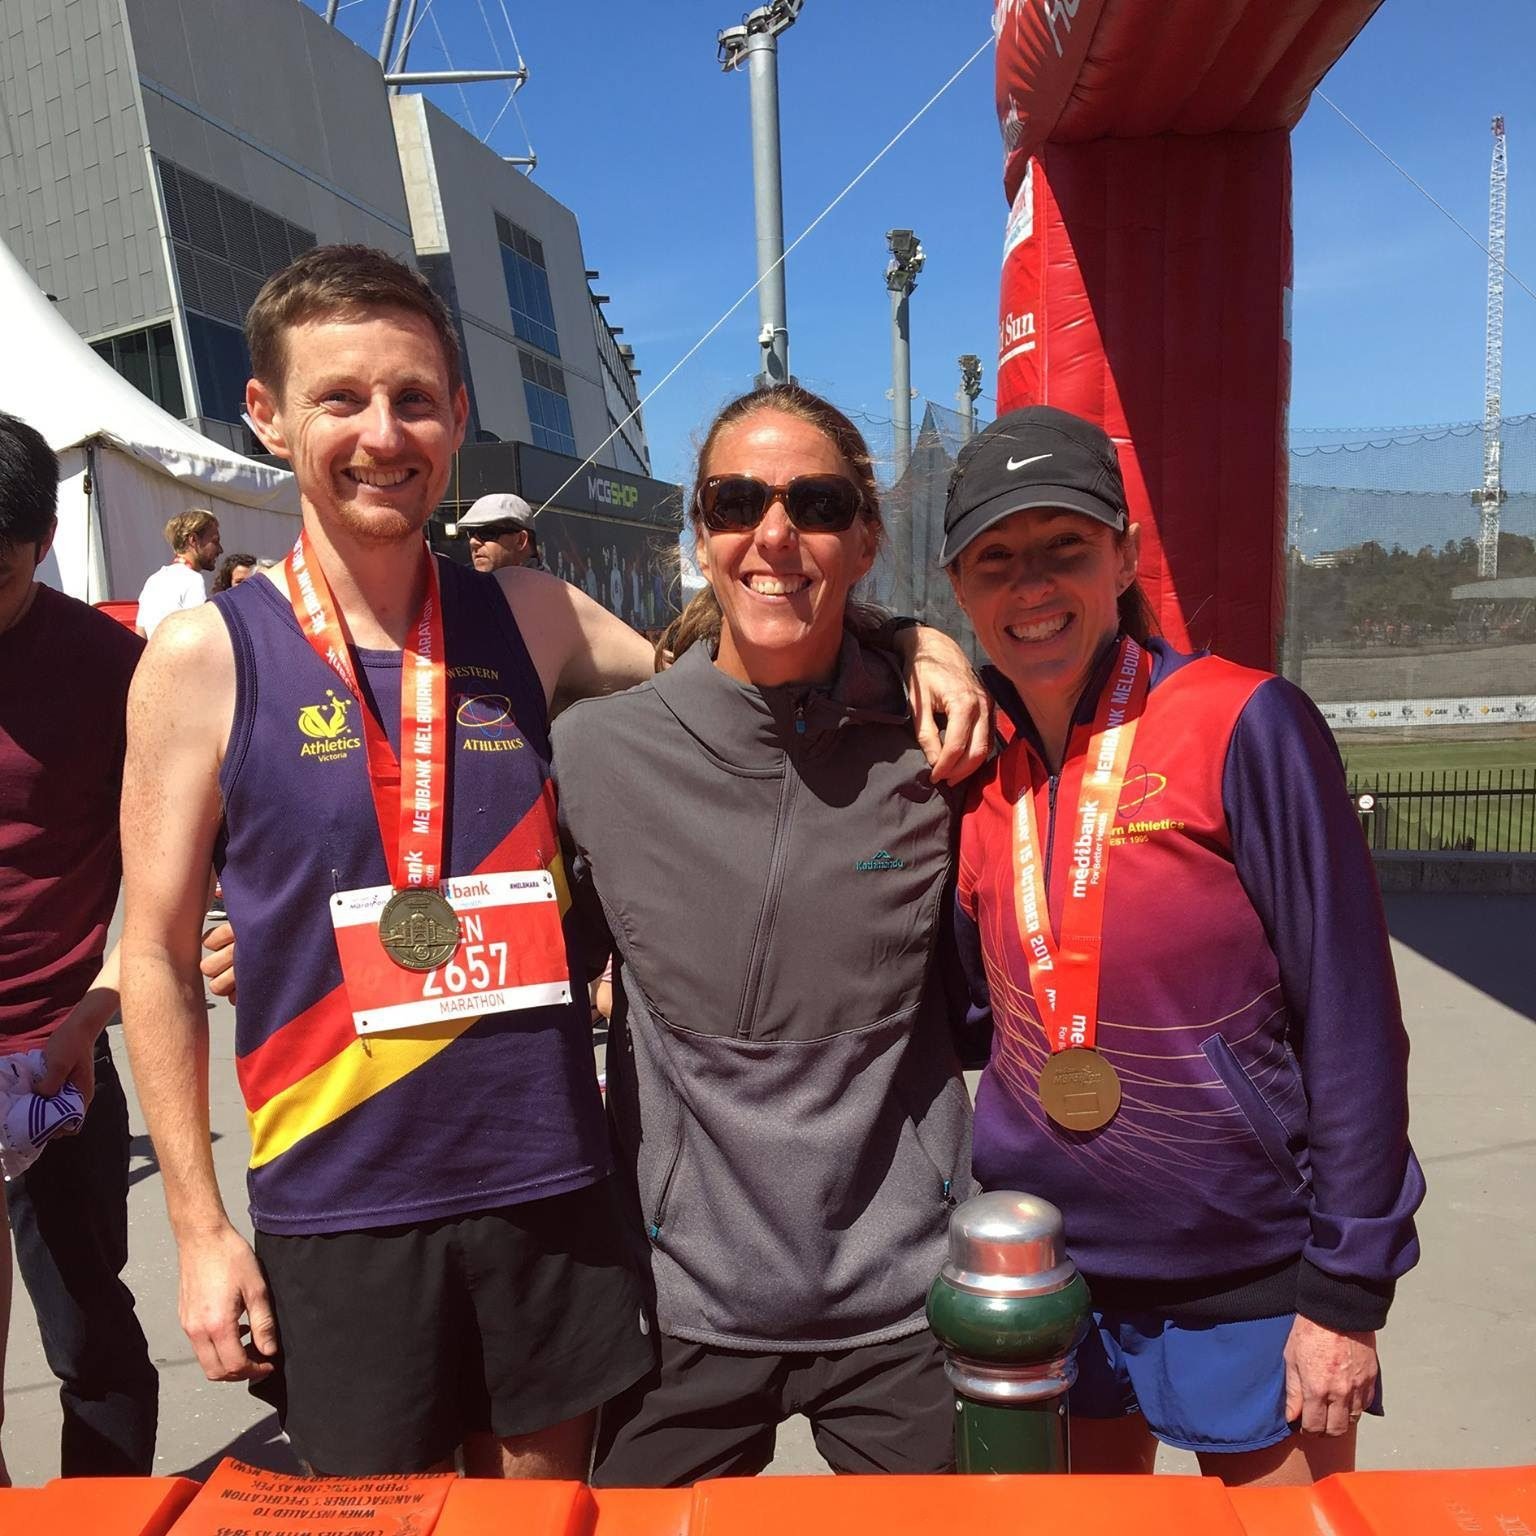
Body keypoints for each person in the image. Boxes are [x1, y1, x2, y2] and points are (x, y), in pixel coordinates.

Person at [122, 247, 983, 1481]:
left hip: (551, 1193)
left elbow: (738, 654)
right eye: (340, 398)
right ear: (265, 413)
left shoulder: (524, 613)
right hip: (345, 1197)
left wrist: (912, 642)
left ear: (458, 418)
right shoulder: (205, 659)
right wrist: (197, 1225)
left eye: (414, 399)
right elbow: (148, 952)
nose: (383, 434)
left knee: (545, 1522)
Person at [941, 406, 1425, 1487]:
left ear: (1123, 554)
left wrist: (1346, 1293)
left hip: (1251, 1278)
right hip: (1054, 1279)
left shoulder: (1246, 722)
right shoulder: (973, 775)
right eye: (995, 560)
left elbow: (1352, 1023)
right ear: (958, 591)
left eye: (1064, 547)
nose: (1031, 588)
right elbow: (969, 1014)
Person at [554, 384, 985, 1487]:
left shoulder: (939, 749)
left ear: (868, 535)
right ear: (701, 531)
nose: (775, 533)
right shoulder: (598, 756)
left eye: (820, 502)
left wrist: (923, 643)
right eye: (738, 499)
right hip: (678, 1301)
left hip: (904, 1305)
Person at [0, 410, 159, 1477]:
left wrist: (100, 1006)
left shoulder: (115, 666)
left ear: (47, 537)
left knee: (88, 1328)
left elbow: (170, 871)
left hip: (50, 1051)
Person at [134, 508, 221, 636]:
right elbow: (200, 636)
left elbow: (140, 636)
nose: (220, 549)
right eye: (215, 541)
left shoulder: (154, 580)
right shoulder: (193, 580)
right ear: (193, 540)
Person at [457, 493, 544, 572]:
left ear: (520, 540)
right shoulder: (462, 583)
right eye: (471, 533)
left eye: (487, 533)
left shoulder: (548, 588)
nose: (473, 542)